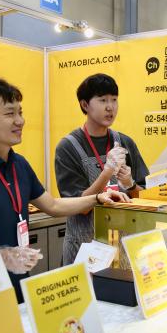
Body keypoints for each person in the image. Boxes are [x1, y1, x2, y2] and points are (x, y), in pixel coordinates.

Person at [0, 78, 129, 302]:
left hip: (18, 283)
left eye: (20, 112)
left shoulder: (19, 164)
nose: (20, 121)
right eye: (9, 114)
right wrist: (0, 255)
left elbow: (53, 205)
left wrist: (97, 197)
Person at [55, 73, 149, 265]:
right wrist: (107, 172)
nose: (110, 107)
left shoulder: (125, 142)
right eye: (102, 100)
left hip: (122, 249)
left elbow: (146, 197)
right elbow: (78, 207)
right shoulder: (68, 147)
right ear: (85, 105)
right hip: (83, 247)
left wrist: (130, 185)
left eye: (114, 100)